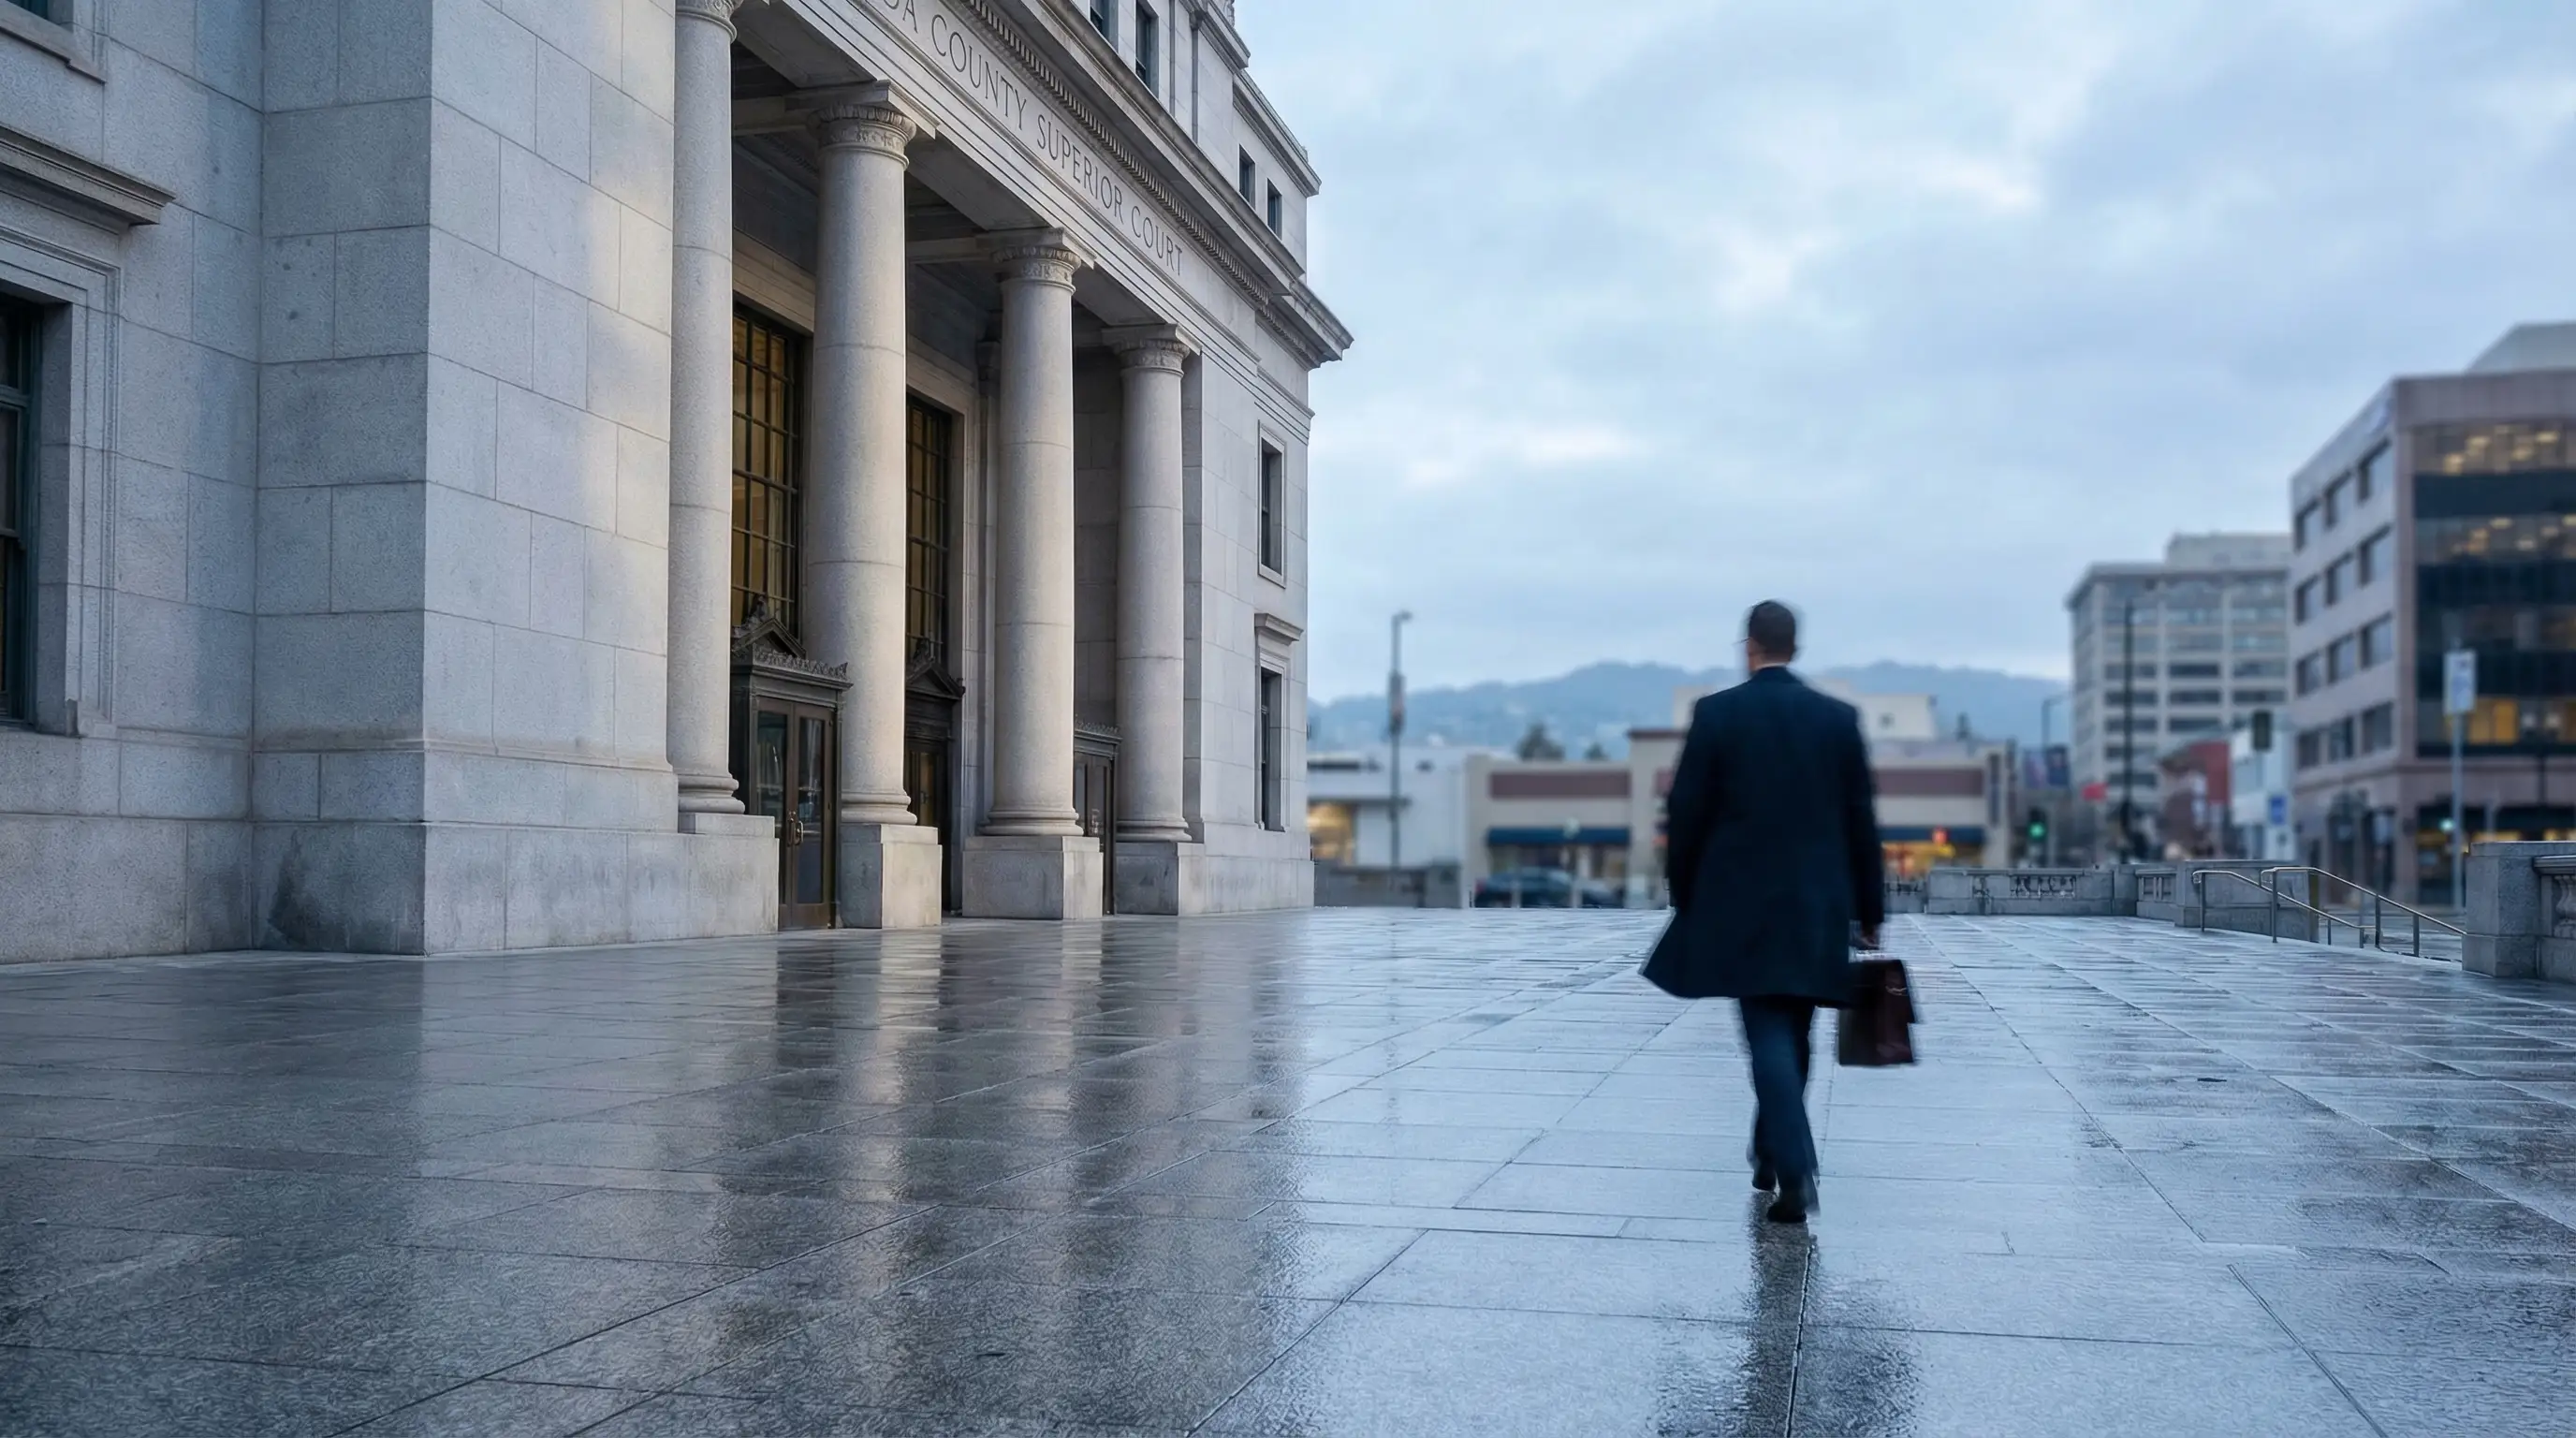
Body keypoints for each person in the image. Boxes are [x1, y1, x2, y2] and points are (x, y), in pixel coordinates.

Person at [1642, 600, 1884, 1224]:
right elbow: (1861, 820)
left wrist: (1683, 889)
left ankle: (1795, 1168)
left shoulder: (1719, 715)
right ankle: (1770, 1148)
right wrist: (1870, 906)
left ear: (1749, 646)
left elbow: (1687, 812)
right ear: (1793, 647)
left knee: (1767, 1034)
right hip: (1817, 904)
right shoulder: (1837, 719)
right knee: (1793, 1030)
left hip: (1741, 905)